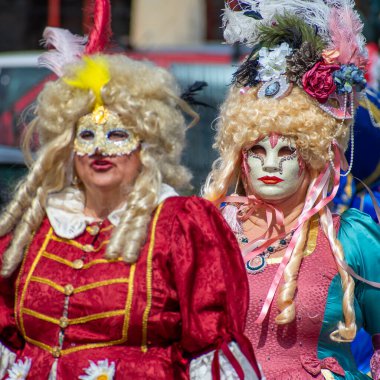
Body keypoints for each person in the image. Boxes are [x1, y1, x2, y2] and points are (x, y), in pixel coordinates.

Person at [0, 9, 262, 380]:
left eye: (118, 135)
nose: (98, 150)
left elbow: (210, 343)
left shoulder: (180, 227)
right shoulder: (38, 226)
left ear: (147, 146)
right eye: (86, 135)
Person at [204, 1, 380, 379]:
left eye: (287, 151)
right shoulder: (208, 234)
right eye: (257, 150)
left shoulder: (351, 238)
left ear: (317, 153)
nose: (269, 164)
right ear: (239, 153)